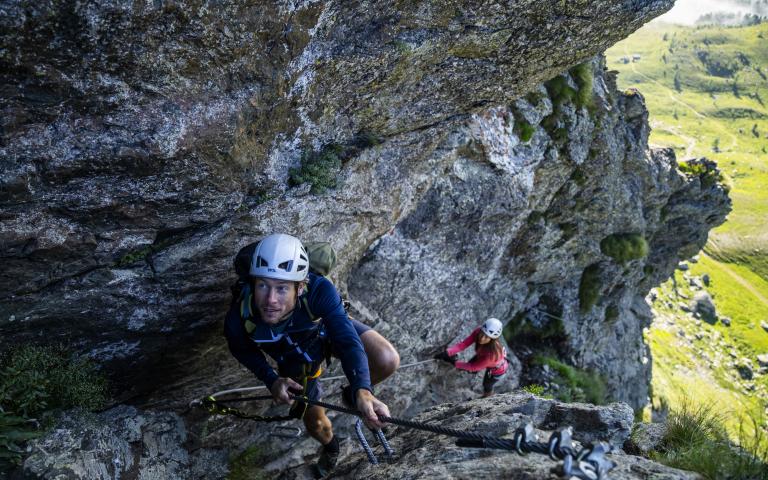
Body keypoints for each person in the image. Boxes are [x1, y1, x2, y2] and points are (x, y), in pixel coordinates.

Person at [224, 233, 399, 477]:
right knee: (316, 423)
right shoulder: (239, 317)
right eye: (263, 285)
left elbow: (347, 341)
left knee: (386, 359)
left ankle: (353, 394)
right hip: (296, 362)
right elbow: (241, 349)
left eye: (282, 288)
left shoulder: (319, 291)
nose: (270, 300)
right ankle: (331, 449)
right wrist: (272, 379)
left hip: (324, 331)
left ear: (301, 286)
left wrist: (363, 390)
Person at [435, 318, 508, 398]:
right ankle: (466, 370)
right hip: (483, 356)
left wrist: (453, 362)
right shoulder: (477, 332)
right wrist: (447, 352)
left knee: (487, 384)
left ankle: (487, 396)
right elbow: (463, 345)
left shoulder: (492, 355)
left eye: (487, 337)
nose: (482, 338)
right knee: (469, 366)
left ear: (492, 340)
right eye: (482, 333)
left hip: (498, 370)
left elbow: (473, 367)